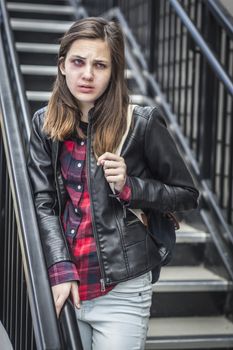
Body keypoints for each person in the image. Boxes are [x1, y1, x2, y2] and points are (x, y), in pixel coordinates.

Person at [27, 17, 199, 350]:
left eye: (100, 65)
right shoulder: (44, 124)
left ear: (113, 72)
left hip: (123, 291)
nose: (87, 73)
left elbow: (187, 195)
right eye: (78, 62)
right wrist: (59, 267)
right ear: (62, 65)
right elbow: (42, 201)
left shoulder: (141, 123)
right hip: (67, 285)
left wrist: (130, 186)